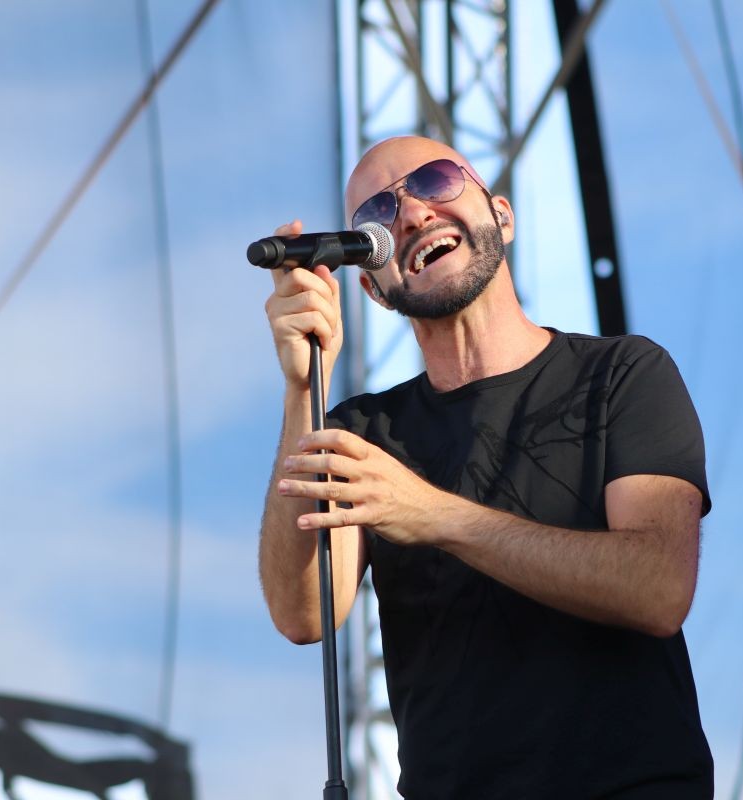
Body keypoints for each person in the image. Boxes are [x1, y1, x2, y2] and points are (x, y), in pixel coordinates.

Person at [259, 136, 713, 799]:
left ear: (502, 215)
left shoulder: (622, 374)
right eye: (378, 213)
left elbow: (659, 588)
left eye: (436, 181)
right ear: (373, 287)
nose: (413, 215)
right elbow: (303, 615)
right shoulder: (362, 432)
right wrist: (303, 386)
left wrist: (433, 515)